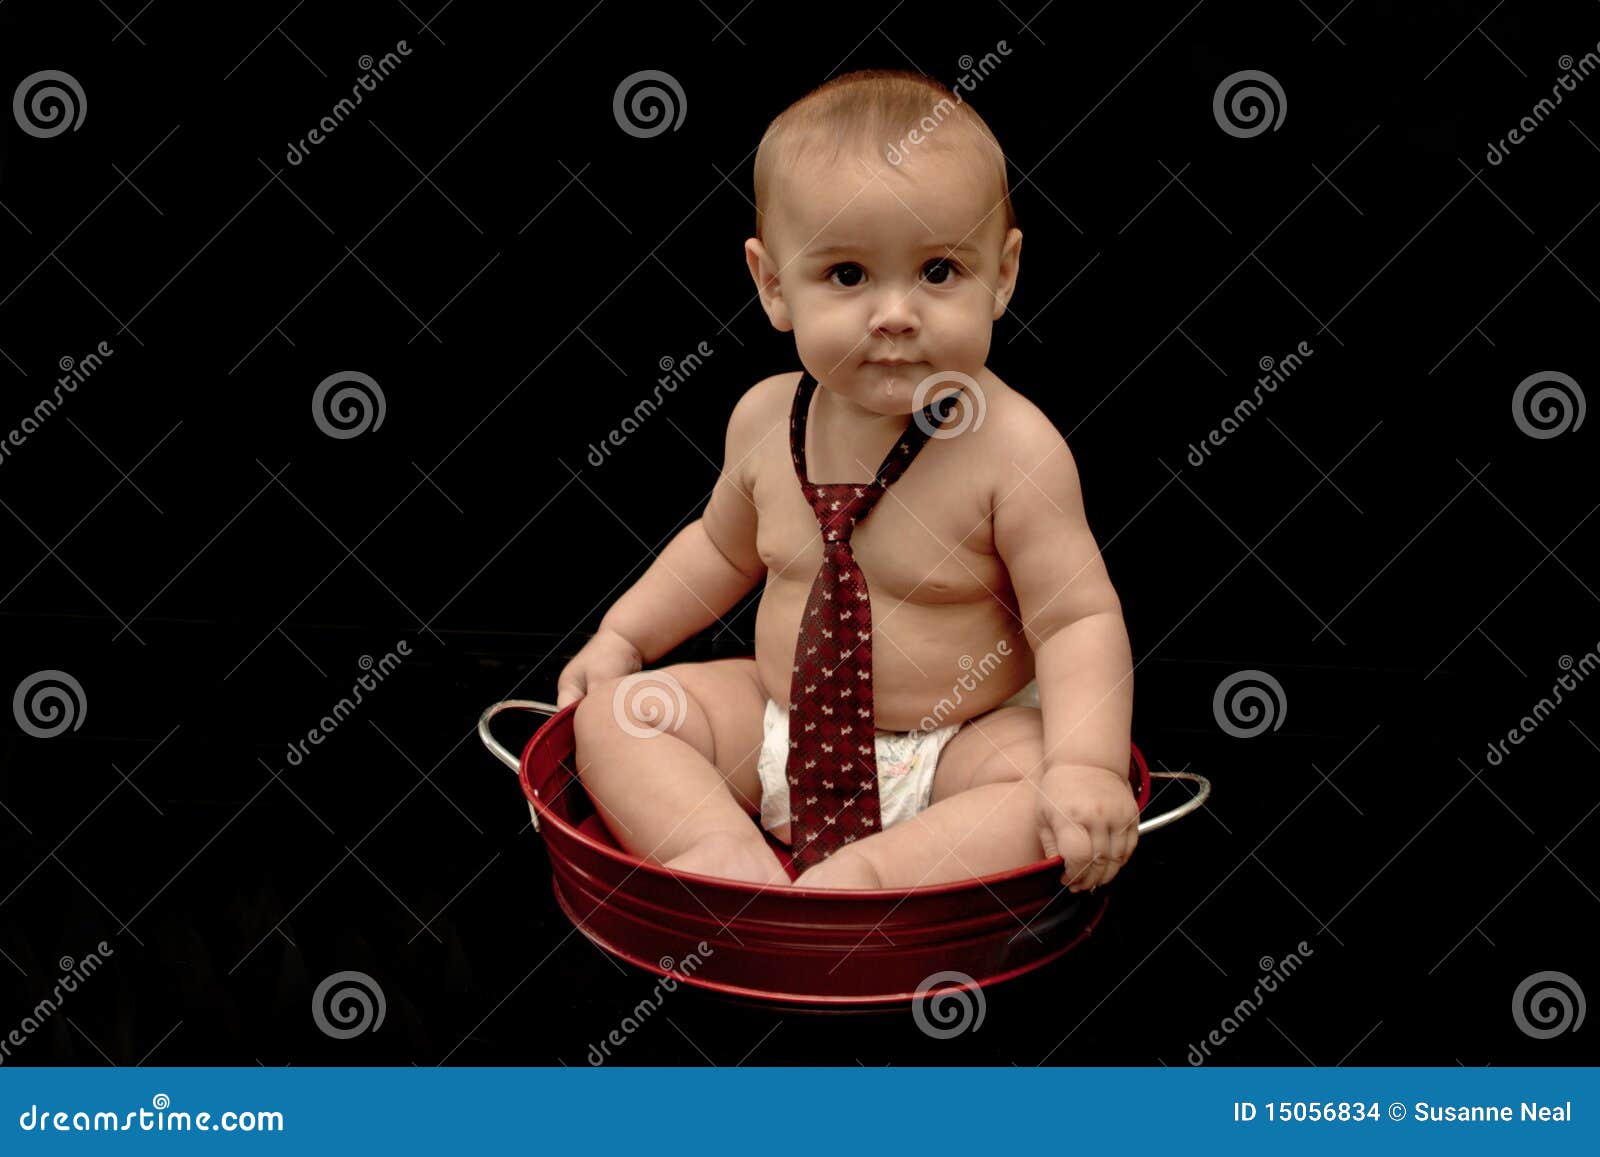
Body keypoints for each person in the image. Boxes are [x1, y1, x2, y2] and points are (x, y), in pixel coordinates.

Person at [558, 69, 1137, 893]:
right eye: (848, 275)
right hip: (780, 729)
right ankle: (725, 852)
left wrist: (1086, 765)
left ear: (1003, 275)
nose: (895, 313)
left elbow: (1076, 618)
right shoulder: (765, 421)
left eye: (939, 270)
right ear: (773, 285)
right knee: (614, 719)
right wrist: (622, 638)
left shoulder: (1013, 447)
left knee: (1035, 788)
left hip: (957, 750)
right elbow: (717, 553)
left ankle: (862, 882)